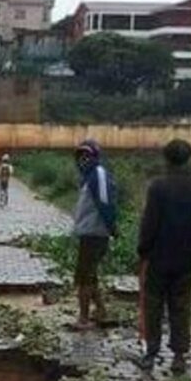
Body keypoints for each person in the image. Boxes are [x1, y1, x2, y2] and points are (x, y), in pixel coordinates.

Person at [135, 140, 191, 374]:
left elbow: (150, 222)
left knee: (153, 305)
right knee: (181, 306)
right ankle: (179, 355)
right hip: (186, 257)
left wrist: (143, 249)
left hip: (159, 256)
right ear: (189, 158)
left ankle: (151, 352)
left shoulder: (158, 187)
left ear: (166, 158)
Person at [72, 139, 117, 330]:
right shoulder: (88, 176)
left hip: (96, 233)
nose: (83, 159)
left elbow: (105, 202)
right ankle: (101, 311)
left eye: (87, 155)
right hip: (88, 232)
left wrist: (111, 227)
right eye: (80, 155)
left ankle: (83, 319)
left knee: (84, 277)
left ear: (95, 156)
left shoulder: (98, 173)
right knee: (91, 275)